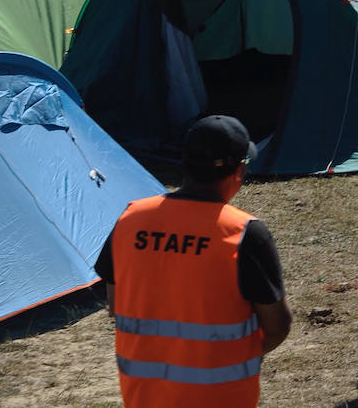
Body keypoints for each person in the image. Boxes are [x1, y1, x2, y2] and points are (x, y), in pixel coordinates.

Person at [97, 115, 291, 408]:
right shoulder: (244, 233)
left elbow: (116, 305)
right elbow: (277, 325)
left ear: (185, 163)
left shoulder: (131, 218)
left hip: (144, 395)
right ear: (239, 170)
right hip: (222, 397)